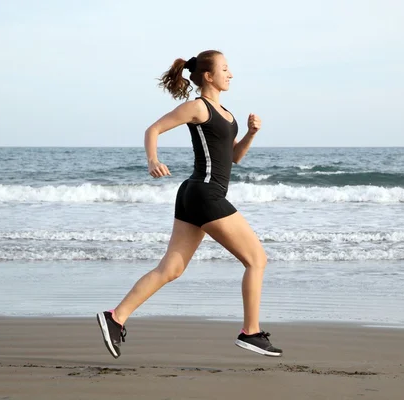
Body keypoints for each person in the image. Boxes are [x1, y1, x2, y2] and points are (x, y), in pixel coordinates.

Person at [96, 50, 282, 358]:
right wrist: (152, 160)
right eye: (225, 69)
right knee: (256, 260)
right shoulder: (198, 107)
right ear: (208, 76)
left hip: (196, 194)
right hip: (205, 193)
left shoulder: (227, 114)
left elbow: (233, 157)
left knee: (171, 269)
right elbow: (152, 130)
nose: (231, 74)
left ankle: (115, 318)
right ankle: (251, 332)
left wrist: (250, 134)